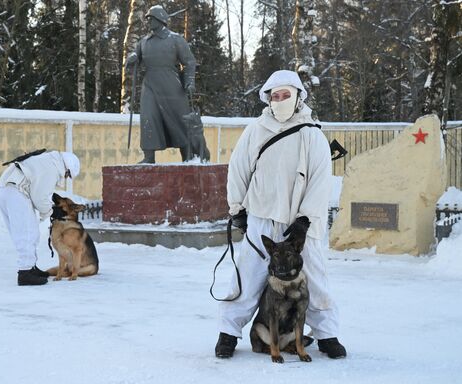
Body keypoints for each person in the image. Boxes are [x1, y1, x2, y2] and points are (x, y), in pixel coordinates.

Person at [215, 70, 347, 359]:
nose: (279, 101)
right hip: (262, 217)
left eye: (285, 94)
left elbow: (320, 180)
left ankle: (326, 334)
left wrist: (305, 219)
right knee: (246, 278)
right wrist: (237, 209)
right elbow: (238, 170)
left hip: (300, 225)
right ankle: (227, 333)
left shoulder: (312, 133)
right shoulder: (256, 130)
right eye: (274, 96)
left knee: (313, 278)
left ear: (298, 97)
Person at [125, 5, 208, 163]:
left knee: (180, 120)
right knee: (148, 118)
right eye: (147, 18)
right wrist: (133, 57)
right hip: (149, 85)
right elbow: (137, 53)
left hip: (172, 86)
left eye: (151, 18)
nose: (148, 21)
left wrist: (189, 82)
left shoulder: (175, 39)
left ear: (160, 20)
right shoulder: (144, 41)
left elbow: (189, 62)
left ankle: (189, 155)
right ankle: (149, 157)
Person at [0, 150, 80, 286]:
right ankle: (25, 273)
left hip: (5, 189)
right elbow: (40, 198)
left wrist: (48, 210)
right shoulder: (52, 168)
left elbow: (38, 193)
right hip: (15, 191)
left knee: (25, 231)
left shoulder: (47, 161)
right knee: (27, 233)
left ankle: (30, 267)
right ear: (66, 167)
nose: (65, 177)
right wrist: (52, 212)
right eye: (67, 174)